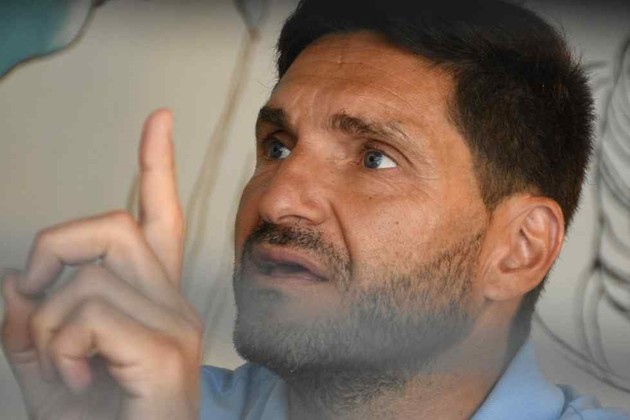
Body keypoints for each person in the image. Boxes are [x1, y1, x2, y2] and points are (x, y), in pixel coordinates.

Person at [1, 0, 628, 418]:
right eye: (277, 146)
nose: (277, 199)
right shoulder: (143, 405)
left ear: (519, 248)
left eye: (375, 158)